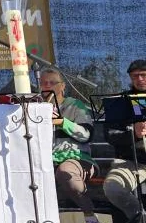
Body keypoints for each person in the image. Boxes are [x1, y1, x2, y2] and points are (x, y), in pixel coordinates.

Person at [39, 68, 98, 223]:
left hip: (77, 158)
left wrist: (63, 122)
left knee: (65, 171)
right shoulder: (35, 109)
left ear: (63, 86)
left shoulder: (76, 105)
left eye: (52, 82)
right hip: (46, 161)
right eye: (44, 83)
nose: (47, 86)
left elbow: (86, 134)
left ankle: (90, 216)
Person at [104, 59, 146, 223]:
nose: (139, 79)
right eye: (135, 76)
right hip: (131, 161)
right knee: (113, 187)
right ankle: (138, 216)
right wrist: (133, 133)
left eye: (143, 75)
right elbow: (110, 135)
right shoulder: (120, 103)